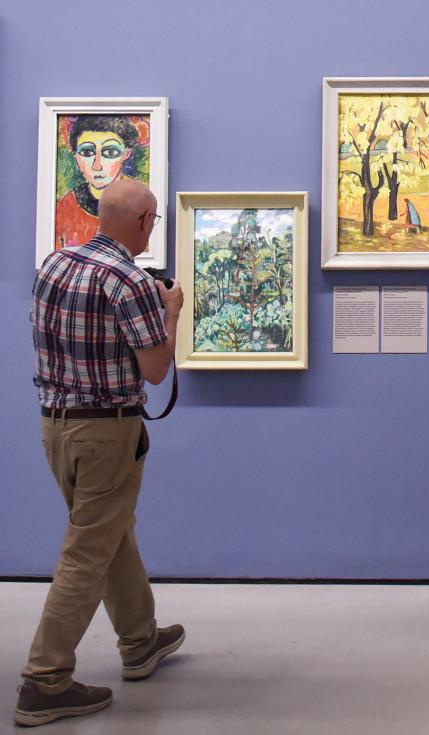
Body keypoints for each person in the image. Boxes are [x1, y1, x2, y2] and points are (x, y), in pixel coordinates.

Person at [16, 179, 185, 728]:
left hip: (55, 427)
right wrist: (172, 312)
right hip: (106, 432)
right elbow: (155, 370)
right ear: (142, 222)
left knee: (109, 532)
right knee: (87, 551)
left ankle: (140, 639)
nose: (152, 230)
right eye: (153, 221)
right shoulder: (129, 280)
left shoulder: (55, 263)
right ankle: (45, 681)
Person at [54, 115, 143, 251]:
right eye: (87, 152)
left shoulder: (142, 202)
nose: (97, 165)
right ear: (76, 155)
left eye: (110, 152)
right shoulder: (63, 208)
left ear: (126, 154)